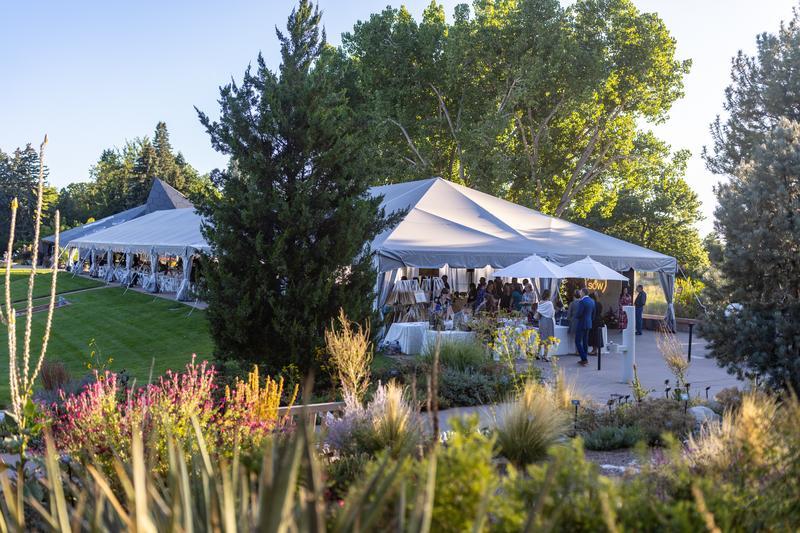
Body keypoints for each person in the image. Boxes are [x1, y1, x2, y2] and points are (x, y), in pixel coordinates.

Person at [574, 288, 595, 366]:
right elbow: (593, 313)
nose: (580, 293)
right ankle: (584, 358)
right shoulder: (592, 301)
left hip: (582, 323)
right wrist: (590, 320)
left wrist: (575, 316)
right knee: (585, 341)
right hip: (589, 323)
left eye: (580, 292)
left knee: (577, 341)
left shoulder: (582, 301)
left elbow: (579, 313)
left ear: (583, 293)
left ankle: (584, 358)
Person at [537, 289, 555, 359]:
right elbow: (552, 313)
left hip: (542, 320)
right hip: (548, 321)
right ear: (549, 295)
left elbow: (539, 312)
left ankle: (537, 353)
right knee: (548, 337)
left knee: (541, 336)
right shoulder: (550, 303)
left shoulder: (540, 302)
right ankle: (545, 355)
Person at [589, 291, 604, 356]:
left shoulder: (592, 304)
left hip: (594, 321)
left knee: (593, 336)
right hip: (599, 321)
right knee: (598, 336)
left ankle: (594, 350)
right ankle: (595, 350)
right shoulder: (599, 304)